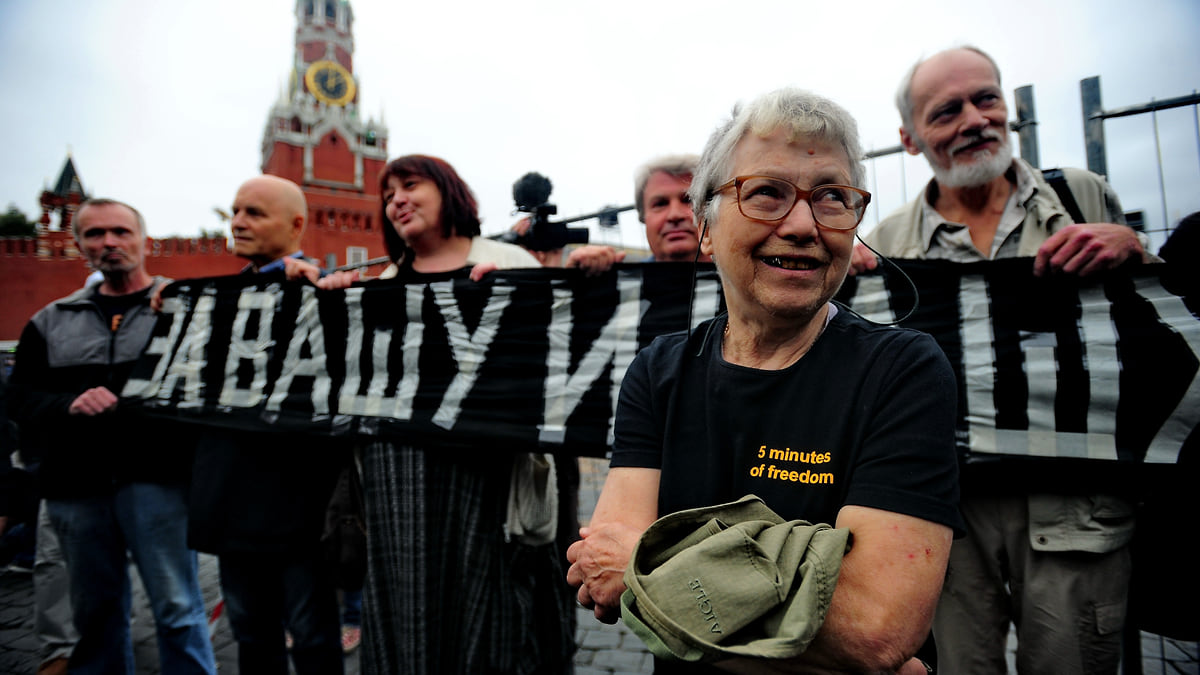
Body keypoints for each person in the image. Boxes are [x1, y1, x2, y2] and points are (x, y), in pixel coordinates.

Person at [567, 88, 964, 674]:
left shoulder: (904, 370)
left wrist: (647, 570)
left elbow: (875, 629)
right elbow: (602, 577)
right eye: (766, 194)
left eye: (832, 197)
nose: (803, 224)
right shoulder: (658, 371)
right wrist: (804, 607)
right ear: (706, 229)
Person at [854, 46, 1150, 675]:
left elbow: (1154, 331)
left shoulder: (1084, 197)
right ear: (910, 139)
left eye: (986, 98)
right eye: (946, 111)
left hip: (1075, 509)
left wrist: (1138, 250)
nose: (973, 120)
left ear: (1008, 107)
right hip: (947, 519)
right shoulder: (885, 247)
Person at [328, 154, 575, 674]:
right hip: (398, 489)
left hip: (486, 480)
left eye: (410, 185)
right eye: (388, 192)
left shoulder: (510, 265)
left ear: (449, 192)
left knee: (487, 618)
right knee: (409, 613)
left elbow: (559, 357)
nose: (397, 199)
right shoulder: (385, 284)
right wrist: (329, 307)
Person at [8, 198, 217, 674]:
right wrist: (67, 404)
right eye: (96, 234)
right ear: (79, 244)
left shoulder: (180, 310)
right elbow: (19, 397)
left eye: (121, 232)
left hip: (158, 483)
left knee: (178, 610)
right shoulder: (50, 320)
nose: (110, 242)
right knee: (96, 616)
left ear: (144, 240)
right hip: (76, 488)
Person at [187, 175, 347, 675]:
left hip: (300, 505)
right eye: (235, 211)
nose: (236, 223)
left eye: (254, 213)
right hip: (230, 499)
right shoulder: (208, 302)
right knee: (251, 637)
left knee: (314, 637)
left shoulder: (328, 295)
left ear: (296, 224)